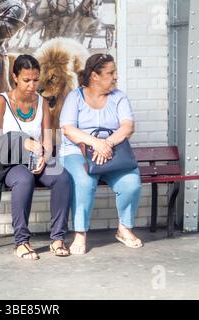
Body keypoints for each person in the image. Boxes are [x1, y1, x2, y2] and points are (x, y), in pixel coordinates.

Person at [0, 55, 71, 260]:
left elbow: (47, 136)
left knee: (62, 177)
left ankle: (58, 238)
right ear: (15, 77)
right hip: (6, 161)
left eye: (35, 80)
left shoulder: (41, 102)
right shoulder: (2, 101)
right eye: (26, 80)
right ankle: (21, 242)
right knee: (23, 179)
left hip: (34, 159)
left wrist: (45, 154)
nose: (32, 85)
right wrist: (23, 142)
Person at [59, 53, 143, 255]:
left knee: (131, 183)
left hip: (111, 153)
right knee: (84, 182)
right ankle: (80, 232)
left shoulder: (119, 97)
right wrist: (95, 143)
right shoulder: (75, 96)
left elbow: (127, 126)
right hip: (77, 152)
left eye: (115, 73)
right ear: (95, 76)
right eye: (111, 73)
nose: (115, 77)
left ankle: (124, 228)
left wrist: (106, 144)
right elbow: (68, 128)